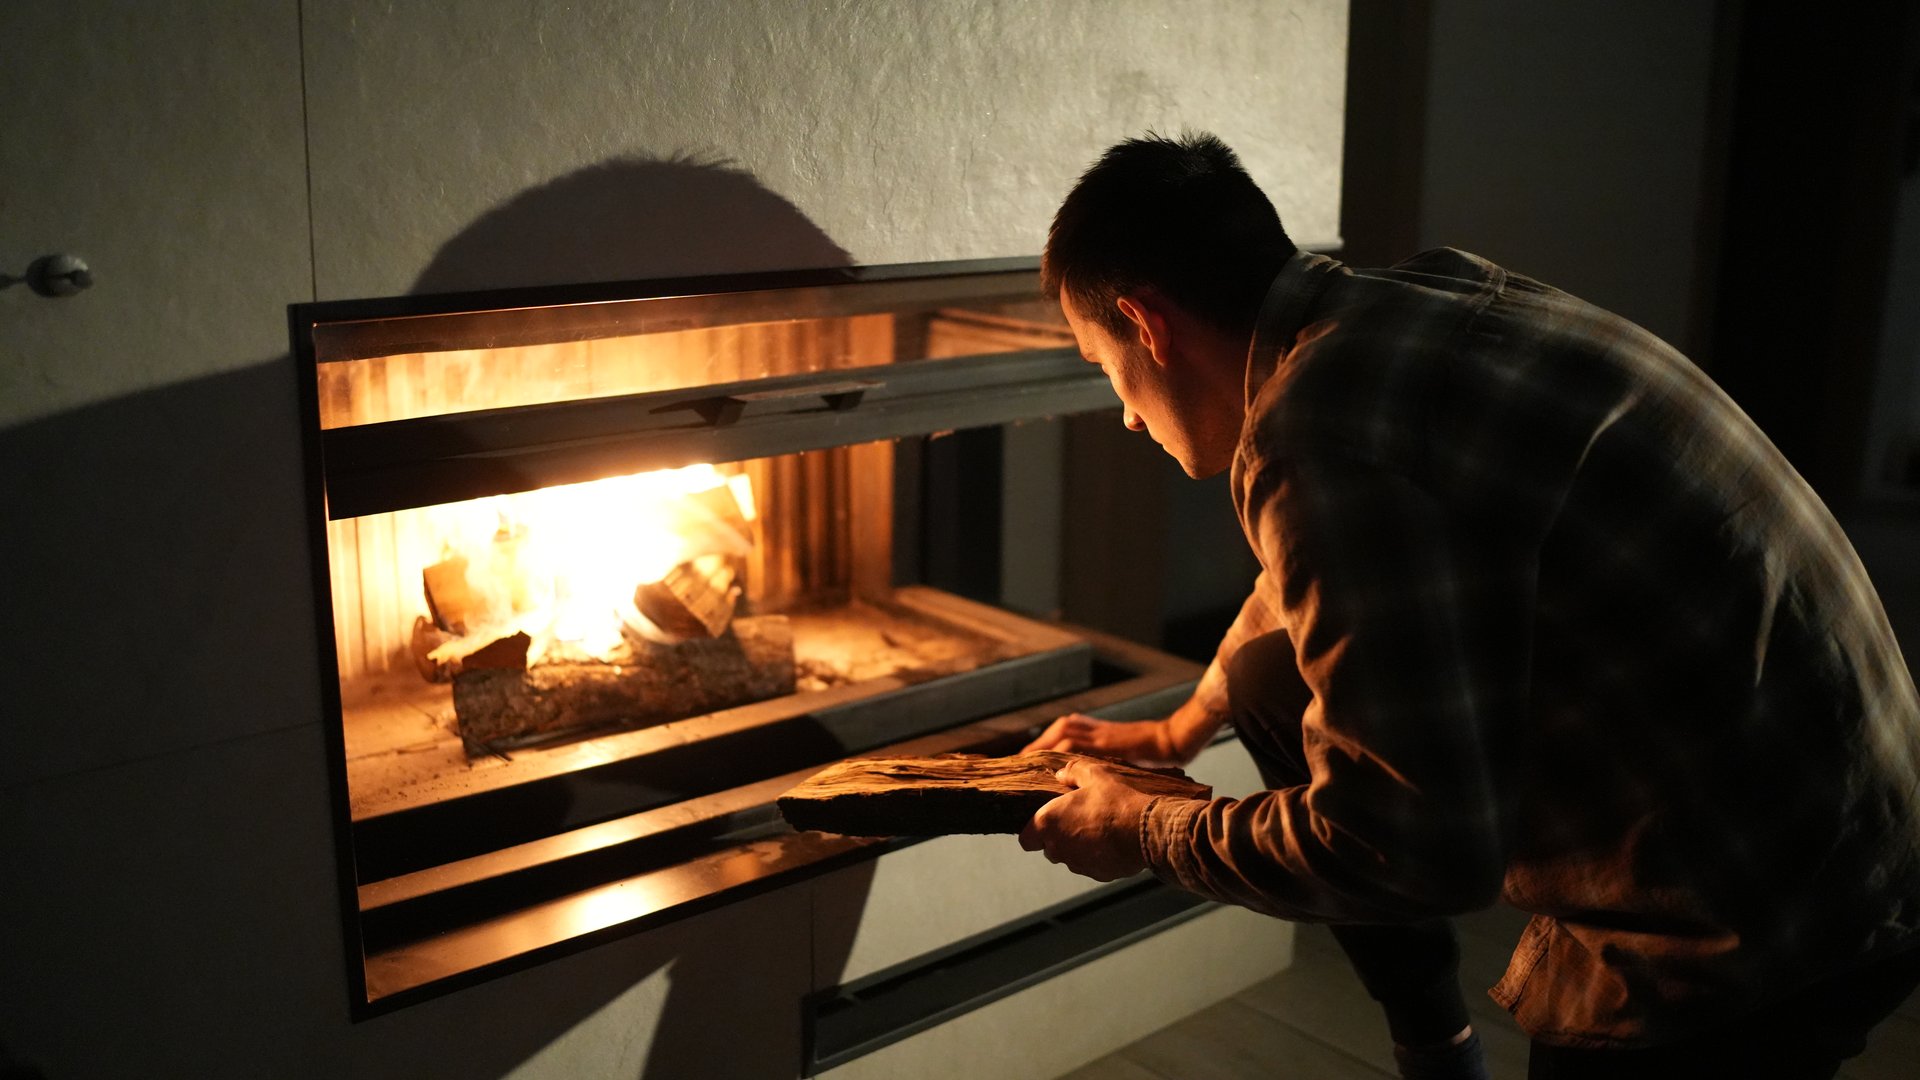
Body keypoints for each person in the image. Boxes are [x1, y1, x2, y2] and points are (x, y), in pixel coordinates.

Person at [1016, 131, 1920, 1079]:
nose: (1123, 411)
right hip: (1856, 813)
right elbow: (1315, 584)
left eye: (1103, 366)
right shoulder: (1406, 306)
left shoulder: (1320, 432)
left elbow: (1408, 851)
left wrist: (1148, 830)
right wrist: (1180, 730)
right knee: (1263, 674)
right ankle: (1436, 1045)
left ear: (1147, 323)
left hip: (1753, 916)